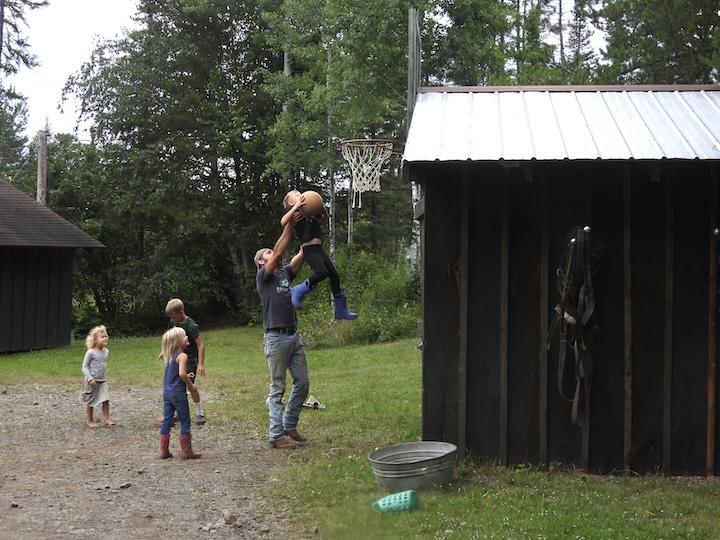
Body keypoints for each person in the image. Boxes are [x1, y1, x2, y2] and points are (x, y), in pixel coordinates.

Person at [254, 213, 310, 449]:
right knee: (278, 387)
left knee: (303, 383)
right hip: (275, 337)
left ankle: (289, 424)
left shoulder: (284, 274)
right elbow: (278, 253)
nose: (272, 253)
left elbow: (303, 254)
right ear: (260, 262)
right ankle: (276, 436)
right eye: (266, 253)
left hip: (293, 335)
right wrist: (289, 224)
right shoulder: (263, 277)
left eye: (270, 251)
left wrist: (308, 226)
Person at [281, 189, 358, 320]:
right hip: (308, 248)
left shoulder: (309, 212)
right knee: (321, 272)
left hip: (318, 248)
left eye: (301, 194)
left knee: (334, 275)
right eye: (297, 196)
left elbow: (325, 220)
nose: (301, 196)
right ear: (290, 202)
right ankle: (297, 290)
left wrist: (321, 207)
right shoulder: (295, 213)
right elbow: (283, 222)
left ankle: (340, 310)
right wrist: (297, 206)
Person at [158, 326, 201, 460]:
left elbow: (177, 373)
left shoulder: (170, 356)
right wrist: (190, 384)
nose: (187, 337)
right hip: (178, 394)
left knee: (167, 421)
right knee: (185, 420)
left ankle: (164, 451)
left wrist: (186, 375)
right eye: (184, 336)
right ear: (177, 342)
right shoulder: (183, 356)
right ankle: (186, 451)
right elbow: (181, 373)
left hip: (167, 394)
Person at [165, 298, 207, 425]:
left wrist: (200, 364)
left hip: (189, 359)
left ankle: (200, 413)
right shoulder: (173, 322)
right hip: (176, 357)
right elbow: (170, 338)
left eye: (174, 316)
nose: (173, 319)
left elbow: (201, 345)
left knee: (189, 385)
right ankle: (177, 412)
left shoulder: (191, 325)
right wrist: (165, 351)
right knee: (176, 384)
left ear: (181, 312)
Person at [80, 325, 116, 428]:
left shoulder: (106, 352)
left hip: (102, 381)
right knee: (90, 401)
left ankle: (106, 419)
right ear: (95, 340)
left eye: (106, 336)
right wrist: (90, 378)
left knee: (105, 399)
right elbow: (84, 366)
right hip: (91, 381)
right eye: (102, 337)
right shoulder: (90, 353)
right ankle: (90, 420)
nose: (105, 338)